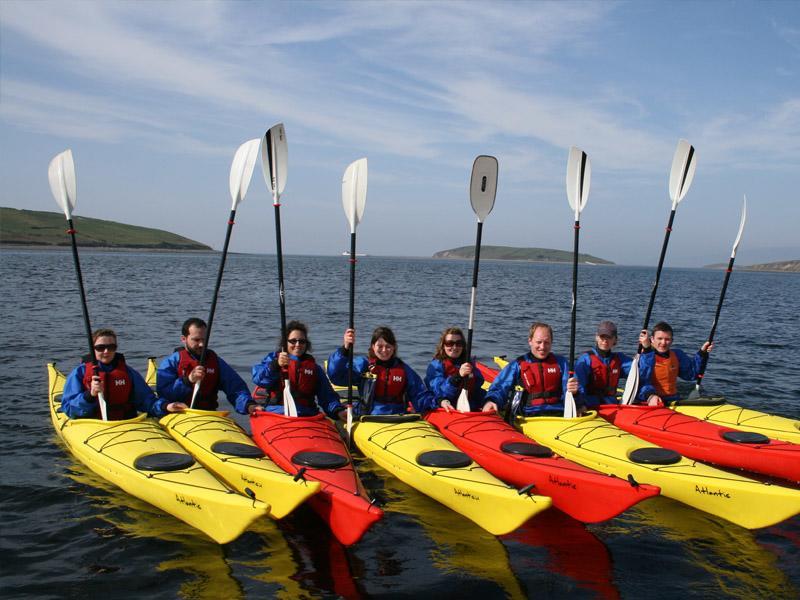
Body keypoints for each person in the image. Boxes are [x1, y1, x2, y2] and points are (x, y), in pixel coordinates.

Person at [61, 328, 183, 419]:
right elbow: (69, 409)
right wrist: (89, 395)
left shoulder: (128, 372)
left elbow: (147, 400)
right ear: (93, 348)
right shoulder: (79, 373)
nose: (106, 351)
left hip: (125, 422)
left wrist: (165, 406)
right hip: (92, 423)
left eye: (111, 347)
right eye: (100, 347)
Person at [327, 326, 437, 416]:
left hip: (398, 416)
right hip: (368, 416)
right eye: (380, 346)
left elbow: (420, 394)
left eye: (388, 346)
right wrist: (345, 349)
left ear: (394, 347)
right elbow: (337, 376)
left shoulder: (403, 369)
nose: (384, 350)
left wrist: (438, 403)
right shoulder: (364, 365)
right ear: (373, 347)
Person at [250, 320, 346, 419]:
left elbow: (327, 396)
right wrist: (276, 365)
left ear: (306, 344)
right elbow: (259, 378)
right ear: (285, 343)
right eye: (293, 341)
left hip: (307, 414)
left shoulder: (314, 368)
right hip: (277, 413)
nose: (297, 344)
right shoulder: (273, 360)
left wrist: (338, 411)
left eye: (302, 341)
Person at [157, 317, 253, 414]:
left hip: (207, 413)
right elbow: (163, 394)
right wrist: (188, 380)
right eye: (196, 340)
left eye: (204, 339)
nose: (201, 344)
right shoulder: (171, 362)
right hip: (179, 413)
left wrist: (248, 405)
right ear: (184, 339)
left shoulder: (216, 362)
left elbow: (236, 388)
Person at [482, 322, 579, 416]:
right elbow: (500, 386)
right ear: (530, 341)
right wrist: (492, 400)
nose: (542, 347)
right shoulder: (518, 364)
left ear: (551, 342)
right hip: (528, 415)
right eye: (539, 342)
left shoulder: (561, 363)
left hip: (558, 413)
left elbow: (574, 389)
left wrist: (576, 394)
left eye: (547, 343)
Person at [574, 320, 650, 408]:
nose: (605, 341)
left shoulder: (620, 359)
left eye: (609, 337)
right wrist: (580, 404)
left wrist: (647, 350)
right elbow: (579, 386)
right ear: (596, 337)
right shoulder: (585, 360)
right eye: (602, 337)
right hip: (590, 404)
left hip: (611, 404)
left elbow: (642, 374)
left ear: (615, 340)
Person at [635, 321, 713, 406]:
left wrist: (702, 353)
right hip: (649, 401)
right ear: (652, 339)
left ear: (672, 341)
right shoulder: (643, 358)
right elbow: (641, 382)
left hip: (673, 400)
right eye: (660, 339)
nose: (663, 343)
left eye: (667, 339)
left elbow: (692, 374)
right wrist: (650, 396)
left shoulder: (677, 355)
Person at [424, 327, 486, 412]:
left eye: (459, 343)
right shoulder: (436, 366)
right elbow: (439, 392)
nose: (454, 347)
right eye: (449, 343)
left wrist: (490, 400)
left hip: (468, 407)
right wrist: (458, 377)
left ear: (463, 346)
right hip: (446, 407)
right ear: (443, 345)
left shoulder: (469, 363)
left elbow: (477, 387)